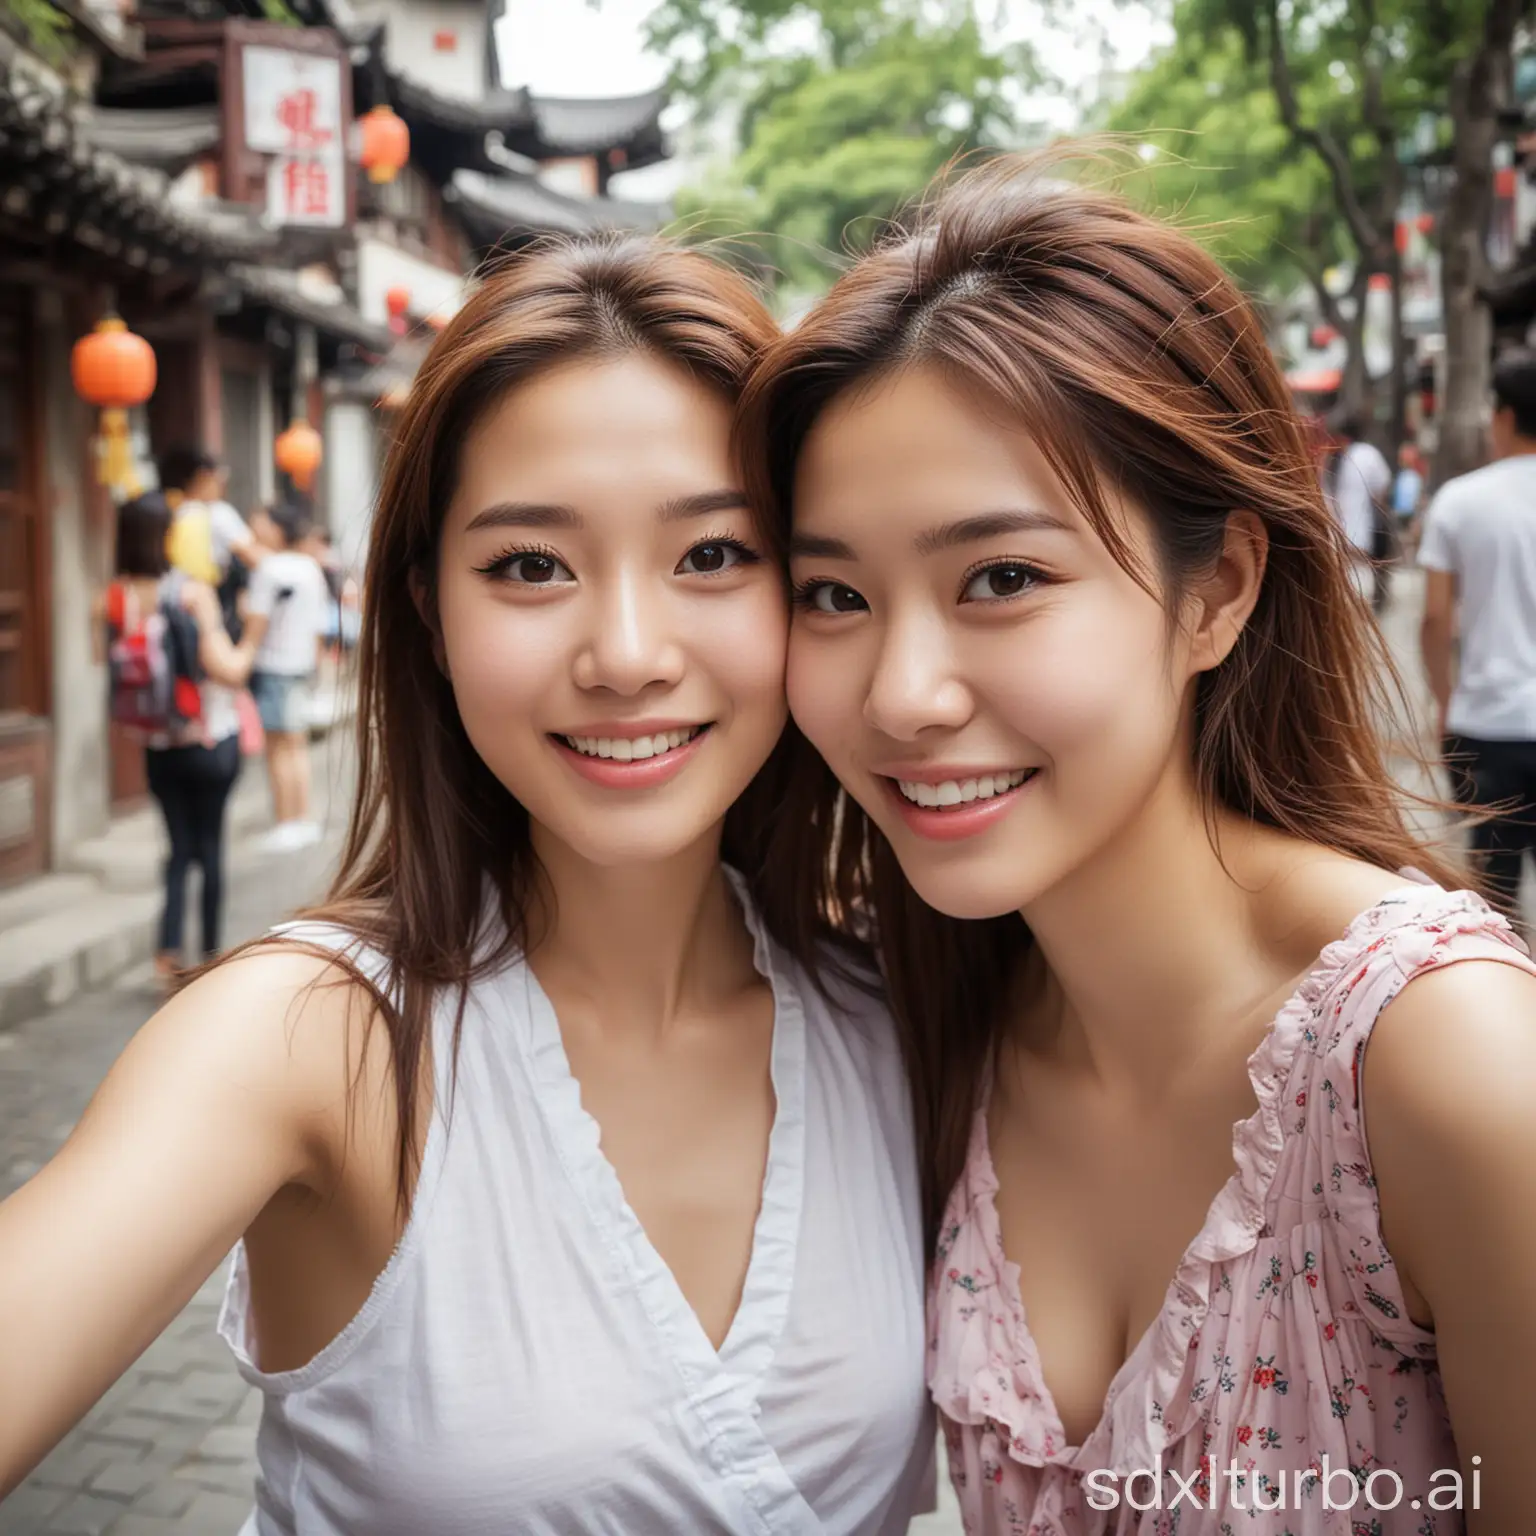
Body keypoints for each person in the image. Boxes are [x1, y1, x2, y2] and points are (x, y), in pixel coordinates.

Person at [0, 237, 934, 1535]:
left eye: (714, 554)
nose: (624, 655)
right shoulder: (306, 1043)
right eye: (529, 566)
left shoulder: (902, 1011)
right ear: (430, 612)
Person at [740, 154, 1536, 1531]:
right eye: (833, 593)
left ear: (1217, 592)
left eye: (1002, 578)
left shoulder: (1438, 1068)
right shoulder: (932, 1016)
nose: (900, 696)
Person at [96, 494, 255, 980]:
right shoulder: (190, 593)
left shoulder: (115, 597)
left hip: (158, 748)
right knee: (209, 849)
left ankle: (167, 953)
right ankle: (208, 958)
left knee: (178, 848)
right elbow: (228, 671)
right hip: (209, 740)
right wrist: (252, 631)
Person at [1419, 350, 1536, 921]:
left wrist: (1445, 701)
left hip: (1486, 726)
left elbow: (1437, 618)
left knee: (1495, 895)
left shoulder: (1460, 501)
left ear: (1505, 417)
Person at [244, 499, 331, 850]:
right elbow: (319, 626)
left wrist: (240, 659)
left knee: (279, 747)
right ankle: (301, 819)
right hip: (300, 664)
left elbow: (257, 621)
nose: (255, 526)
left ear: (277, 528)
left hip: (275, 664)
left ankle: (287, 821)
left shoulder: (270, 569)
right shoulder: (309, 568)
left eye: (261, 521)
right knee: (295, 746)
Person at [158, 445, 264, 638]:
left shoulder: (162, 509)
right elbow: (255, 557)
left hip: (165, 604)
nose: (222, 485)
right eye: (219, 478)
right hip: (200, 604)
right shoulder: (216, 513)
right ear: (202, 477)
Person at [1323, 410, 1393, 610]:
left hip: (1336, 538)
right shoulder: (1367, 454)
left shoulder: (1332, 457)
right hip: (1360, 537)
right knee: (1360, 597)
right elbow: (1382, 488)